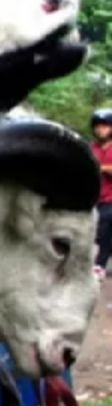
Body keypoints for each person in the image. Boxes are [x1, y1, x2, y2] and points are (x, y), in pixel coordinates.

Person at [92, 108, 112, 280]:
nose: (101, 130)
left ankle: (100, 265)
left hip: (110, 199)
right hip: (93, 197)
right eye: (98, 126)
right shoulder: (91, 148)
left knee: (105, 227)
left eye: (105, 126)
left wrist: (103, 168)